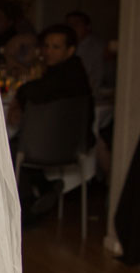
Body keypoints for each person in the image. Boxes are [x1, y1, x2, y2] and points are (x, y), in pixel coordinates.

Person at [9, 23, 94, 220]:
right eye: (46, 46)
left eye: (56, 47)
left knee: (9, 149)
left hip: (58, 144)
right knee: (16, 146)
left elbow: (35, 91)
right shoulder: (69, 73)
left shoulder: (68, 75)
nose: (49, 52)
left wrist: (18, 99)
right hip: (69, 144)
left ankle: (28, 206)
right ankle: (44, 188)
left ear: (70, 50)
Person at [65, 9, 108, 95]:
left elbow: (96, 77)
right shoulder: (66, 45)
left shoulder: (98, 47)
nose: (72, 28)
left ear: (88, 26)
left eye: (76, 24)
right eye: (69, 25)